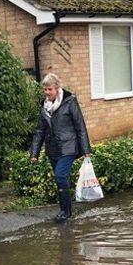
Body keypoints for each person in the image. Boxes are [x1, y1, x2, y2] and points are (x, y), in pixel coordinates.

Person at [29, 73, 91, 222]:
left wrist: (86, 151)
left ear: (57, 88)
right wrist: (34, 153)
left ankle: (65, 212)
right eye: (45, 89)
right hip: (52, 149)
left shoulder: (70, 102)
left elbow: (80, 126)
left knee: (60, 175)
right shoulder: (43, 106)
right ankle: (66, 210)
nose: (47, 92)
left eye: (49, 89)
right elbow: (39, 131)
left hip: (68, 146)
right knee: (60, 179)